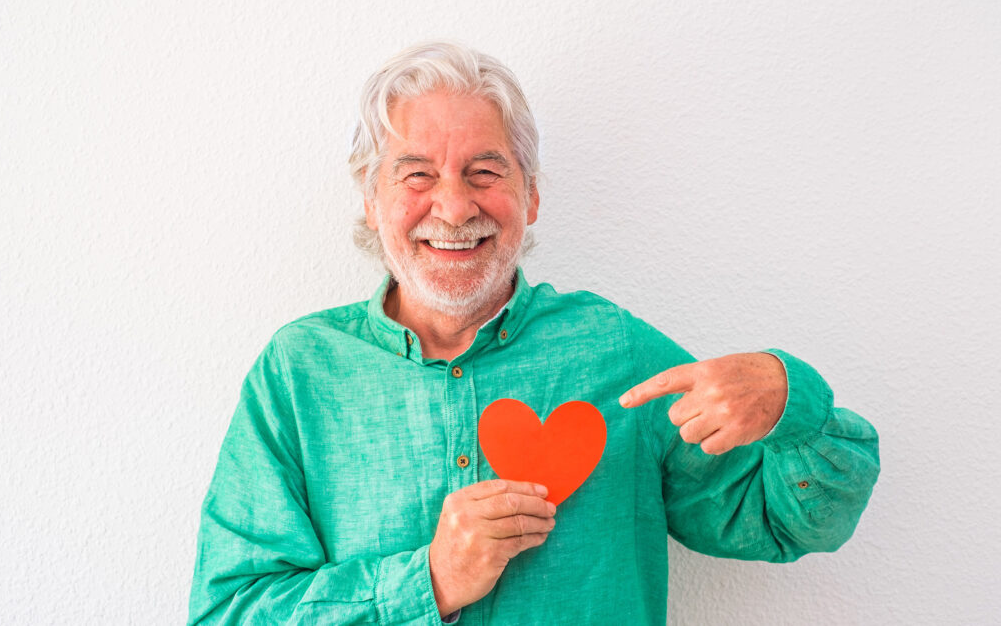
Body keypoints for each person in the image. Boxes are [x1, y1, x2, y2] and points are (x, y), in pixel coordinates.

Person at [187, 41, 880, 625]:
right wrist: (426, 580)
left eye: (485, 172)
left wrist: (790, 401)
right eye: (417, 175)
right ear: (372, 203)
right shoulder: (299, 372)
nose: (454, 206)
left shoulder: (618, 351)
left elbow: (790, 522)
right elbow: (227, 610)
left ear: (532, 195)